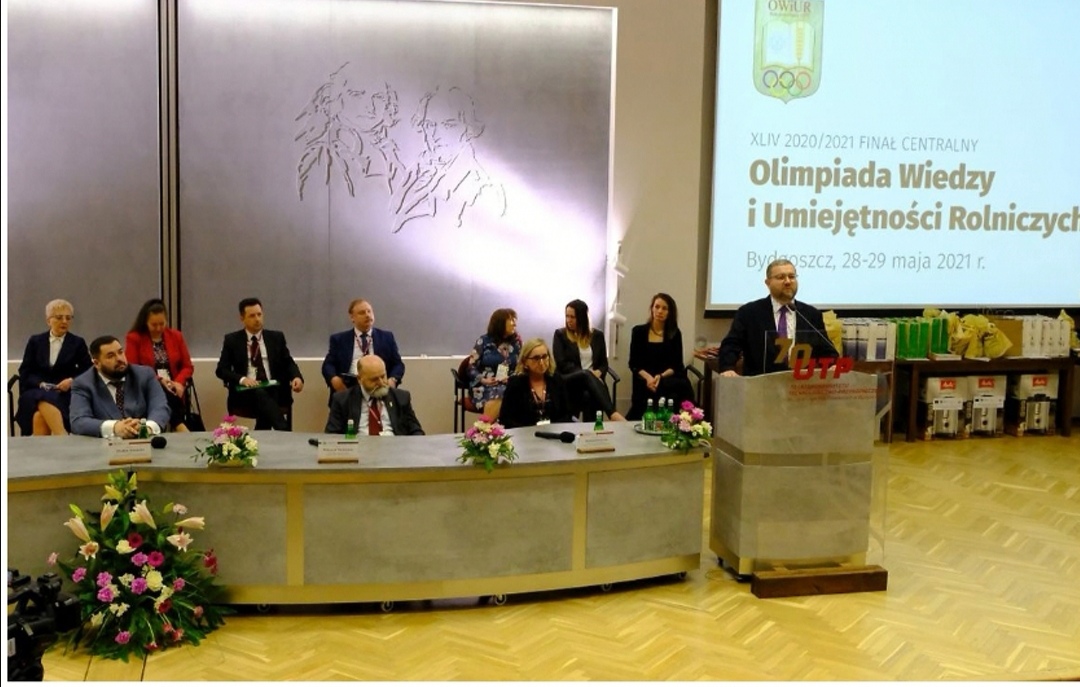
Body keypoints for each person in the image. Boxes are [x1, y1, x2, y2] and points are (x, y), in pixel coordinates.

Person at [716, 258, 834, 377]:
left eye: (792, 277)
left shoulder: (810, 314)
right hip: (761, 383)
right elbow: (731, 344)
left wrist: (833, 364)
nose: (788, 281)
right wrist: (727, 367)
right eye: (781, 277)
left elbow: (826, 349)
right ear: (768, 283)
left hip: (800, 383)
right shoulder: (749, 313)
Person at [215, 298, 304, 430]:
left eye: (259, 314)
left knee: (267, 395)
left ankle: (264, 434)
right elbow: (221, 370)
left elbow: (288, 362)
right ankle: (283, 430)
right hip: (246, 392)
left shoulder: (276, 337)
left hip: (274, 388)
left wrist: (297, 377)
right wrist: (243, 379)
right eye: (252, 316)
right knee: (261, 393)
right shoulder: (232, 340)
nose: (257, 319)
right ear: (242, 318)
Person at [15, 299, 93, 435]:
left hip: (64, 392)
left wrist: (72, 381)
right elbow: (25, 370)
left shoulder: (77, 342)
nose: (64, 321)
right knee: (41, 397)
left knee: (39, 416)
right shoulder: (35, 341)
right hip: (36, 390)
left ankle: (54, 442)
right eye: (59, 317)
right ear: (48, 321)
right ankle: (62, 436)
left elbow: (87, 369)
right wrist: (40, 383)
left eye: (68, 318)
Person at [70, 335, 170, 438]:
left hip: (144, 442)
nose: (119, 359)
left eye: (120, 352)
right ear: (97, 363)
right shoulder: (83, 383)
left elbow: (160, 407)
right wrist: (115, 427)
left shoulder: (144, 375)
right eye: (110, 356)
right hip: (104, 445)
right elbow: (78, 421)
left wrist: (147, 428)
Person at [125, 298, 195, 431]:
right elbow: (133, 368)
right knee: (162, 392)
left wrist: (178, 383)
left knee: (170, 393)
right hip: (147, 385)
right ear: (145, 322)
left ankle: (178, 425)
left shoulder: (176, 336)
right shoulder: (134, 338)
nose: (158, 328)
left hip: (174, 385)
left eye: (162, 324)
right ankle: (180, 426)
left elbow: (187, 366)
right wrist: (159, 380)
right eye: (154, 325)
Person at [321, 299, 405, 405]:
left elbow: (398, 364)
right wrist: (334, 379)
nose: (367, 315)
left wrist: (393, 380)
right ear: (352, 317)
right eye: (362, 313)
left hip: (378, 385)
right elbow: (328, 365)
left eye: (369, 311)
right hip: (349, 386)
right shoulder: (339, 339)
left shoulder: (386, 337)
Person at [552, 299, 624, 421]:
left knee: (588, 395)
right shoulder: (560, 335)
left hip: (592, 382)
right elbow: (562, 363)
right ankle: (613, 414)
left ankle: (592, 429)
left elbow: (603, 363)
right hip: (569, 379)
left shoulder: (597, 335)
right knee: (586, 375)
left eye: (572, 317)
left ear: (582, 318)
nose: (568, 320)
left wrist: (599, 373)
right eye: (567, 316)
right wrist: (587, 374)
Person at [628, 293, 694, 420]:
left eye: (664, 308)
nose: (660, 311)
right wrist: (649, 378)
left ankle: (687, 420)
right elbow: (634, 364)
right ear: (652, 308)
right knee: (655, 391)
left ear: (670, 312)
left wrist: (660, 376)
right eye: (657, 307)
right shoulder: (638, 332)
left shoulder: (675, 333)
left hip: (665, 378)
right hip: (644, 379)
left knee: (681, 387)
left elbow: (677, 365)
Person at [325, 355, 424, 435]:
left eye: (383, 376)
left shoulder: (401, 398)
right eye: (374, 379)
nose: (381, 383)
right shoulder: (342, 400)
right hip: (359, 449)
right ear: (360, 379)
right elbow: (332, 435)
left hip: (394, 449)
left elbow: (416, 431)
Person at [499, 338, 573, 429]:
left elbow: (567, 414)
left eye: (544, 357)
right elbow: (505, 419)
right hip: (524, 434)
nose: (541, 363)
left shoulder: (556, 380)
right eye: (536, 358)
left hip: (555, 432)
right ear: (525, 361)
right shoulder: (515, 384)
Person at [466, 308, 522, 422]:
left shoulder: (516, 343)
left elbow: (522, 366)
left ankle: (487, 428)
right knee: (501, 392)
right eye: (511, 320)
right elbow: (471, 367)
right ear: (500, 323)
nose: (514, 323)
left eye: (514, 319)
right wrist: (483, 379)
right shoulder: (483, 341)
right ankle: (485, 428)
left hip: (509, 384)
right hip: (484, 385)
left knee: (512, 393)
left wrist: (511, 378)